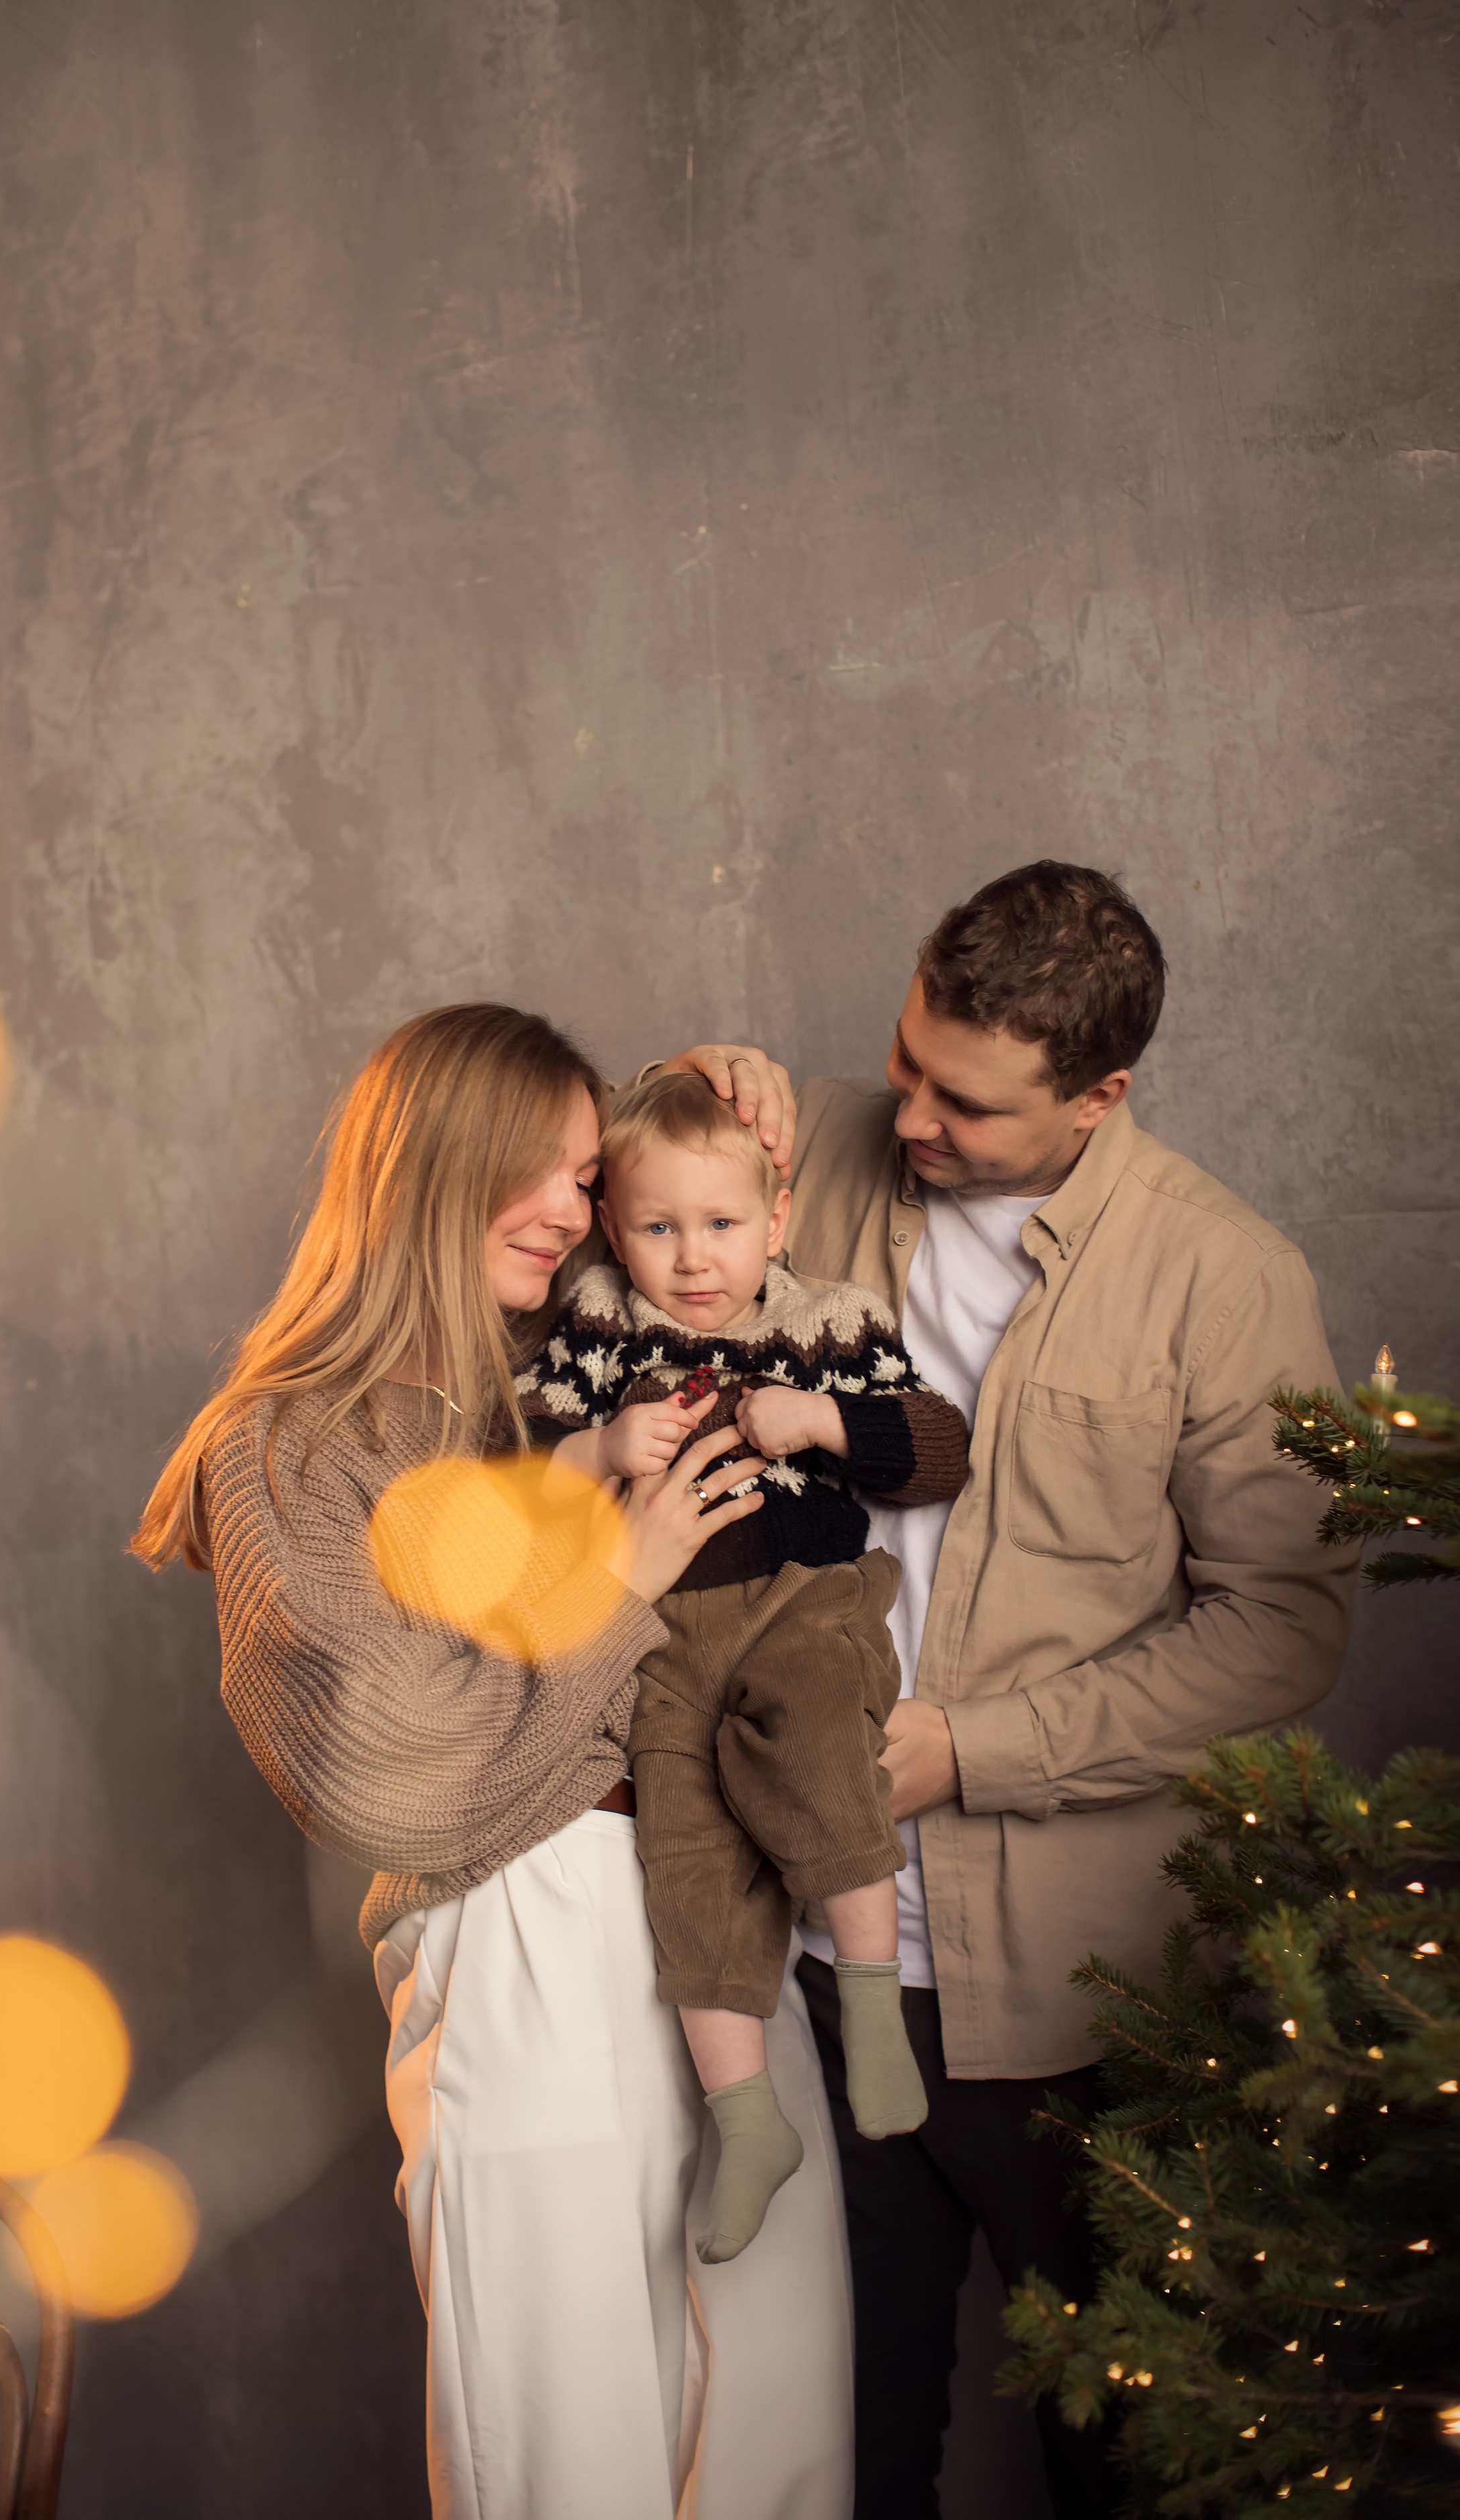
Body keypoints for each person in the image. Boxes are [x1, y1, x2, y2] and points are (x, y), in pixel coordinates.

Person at [653, 862, 1360, 2519]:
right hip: (802, 1978)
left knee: (1108, 2457)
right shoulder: (812, 1146)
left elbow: (1280, 1626)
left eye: (960, 1103)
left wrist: (972, 1751)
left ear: (1097, 1095)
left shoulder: (1219, 1275)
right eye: (901, 1063)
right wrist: (696, 1079)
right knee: (830, 2444)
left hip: (1063, 2000)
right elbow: (608, 1188)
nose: (907, 1118)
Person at [132, 1003, 854, 2520]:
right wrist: (623, 1584)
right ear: (419, 1173)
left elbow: (714, 1207)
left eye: (583, 1176)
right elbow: (381, 1770)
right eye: (525, 1173)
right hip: (524, 1917)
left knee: (776, 2435)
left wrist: (730, 1059)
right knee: (568, 2443)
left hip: (715, 1911)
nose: (567, 1209)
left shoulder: (557, 1367)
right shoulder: (290, 1441)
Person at [517, 1068, 972, 2263]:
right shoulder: (600, 1321)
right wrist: (603, 1443)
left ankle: (873, 2006)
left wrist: (819, 1423)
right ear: (614, 1225)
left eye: (722, 1226)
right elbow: (511, 1465)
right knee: (687, 1841)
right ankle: (748, 2115)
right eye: (658, 1227)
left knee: (821, 1739)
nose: (694, 1257)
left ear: (777, 1217)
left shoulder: (831, 1317)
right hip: (664, 1630)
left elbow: (938, 1449)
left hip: (804, 1603)